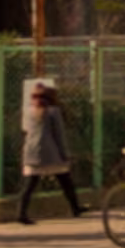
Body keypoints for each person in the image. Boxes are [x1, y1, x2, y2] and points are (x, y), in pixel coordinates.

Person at [14, 80, 83, 224]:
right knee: (65, 180)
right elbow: (59, 135)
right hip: (51, 154)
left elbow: (26, 130)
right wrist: (65, 154)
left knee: (29, 185)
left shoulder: (28, 112)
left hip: (31, 152)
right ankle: (75, 208)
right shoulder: (53, 112)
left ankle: (21, 213)